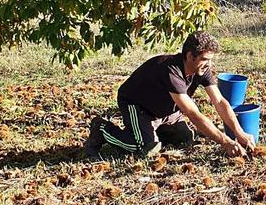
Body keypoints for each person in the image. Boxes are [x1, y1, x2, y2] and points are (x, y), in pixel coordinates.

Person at [85, 31, 254, 158]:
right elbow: (193, 114)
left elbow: (219, 101)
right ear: (190, 56)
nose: (209, 64)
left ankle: (155, 131)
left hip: (166, 111)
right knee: (145, 148)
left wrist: (239, 133)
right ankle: (102, 129)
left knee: (185, 138)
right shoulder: (171, 71)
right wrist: (226, 141)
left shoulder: (202, 70)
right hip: (138, 106)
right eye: (205, 59)